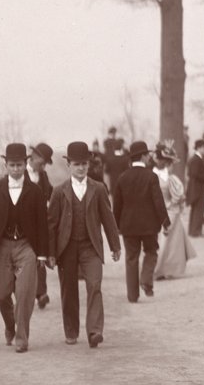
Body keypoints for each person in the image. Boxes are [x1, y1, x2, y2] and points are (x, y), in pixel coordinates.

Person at [0, 143, 50, 353]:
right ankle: (10, 325)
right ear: (5, 165)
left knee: (25, 293)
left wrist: (43, 254)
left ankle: (22, 337)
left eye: (19, 165)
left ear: (26, 164)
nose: (16, 169)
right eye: (12, 165)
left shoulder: (35, 192)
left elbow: (42, 225)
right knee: (1, 292)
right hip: (3, 245)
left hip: (27, 246)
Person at [47, 141, 121, 348]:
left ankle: (95, 331)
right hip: (66, 247)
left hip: (91, 247)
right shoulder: (59, 191)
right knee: (68, 289)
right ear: (69, 165)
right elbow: (51, 224)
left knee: (95, 285)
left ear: (89, 165)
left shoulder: (98, 189)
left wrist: (115, 245)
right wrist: (51, 253)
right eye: (77, 164)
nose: (81, 168)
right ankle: (71, 331)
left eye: (84, 164)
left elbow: (108, 219)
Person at [113, 140, 170, 302]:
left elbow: (117, 205)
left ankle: (132, 295)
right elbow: (158, 202)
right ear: (144, 157)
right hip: (149, 225)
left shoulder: (122, 178)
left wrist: (116, 226)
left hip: (128, 226)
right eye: (147, 155)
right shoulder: (151, 176)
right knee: (151, 252)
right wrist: (165, 222)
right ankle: (146, 281)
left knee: (131, 258)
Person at [153, 142, 195, 280]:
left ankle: (162, 269)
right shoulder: (159, 176)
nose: (165, 164)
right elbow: (178, 196)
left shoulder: (166, 176)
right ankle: (159, 269)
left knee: (167, 241)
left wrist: (174, 202)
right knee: (164, 241)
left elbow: (178, 195)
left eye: (166, 162)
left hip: (167, 210)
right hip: (164, 210)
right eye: (165, 161)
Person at [26, 142, 55, 310]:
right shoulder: (20, 172)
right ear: (34, 156)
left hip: (40, 223)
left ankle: (41, 293)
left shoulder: (43, 176)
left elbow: (52, 193)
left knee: (41, 256)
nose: (43, 167)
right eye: (42, 162)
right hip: (22, 226)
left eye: (45, 164)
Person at [185, 139, 204, 237]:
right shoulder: (196, 159)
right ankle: (196, 231)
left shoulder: (194, 159)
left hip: (196, 187)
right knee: (199, 210)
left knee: (196, 209)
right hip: (197, 188)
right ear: (199, 148)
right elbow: (194, 174)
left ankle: (193, 230)